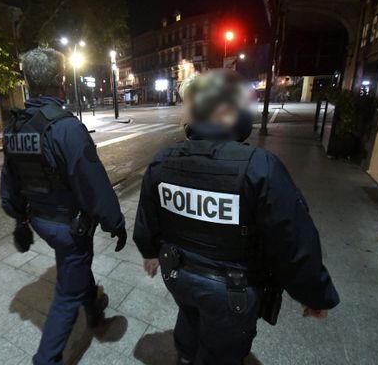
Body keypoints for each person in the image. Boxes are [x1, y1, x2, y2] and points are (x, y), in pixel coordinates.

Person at [133, 69, 339, 365]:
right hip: (231, 291)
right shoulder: (260, 167)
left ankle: (187, 354)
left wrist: (150, 251)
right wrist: (314, 294)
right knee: (221, 353)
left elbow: (146, 219)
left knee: (190, 316)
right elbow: (292, 240)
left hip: (177, 274)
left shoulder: (163, 160)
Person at [0, 47, 127, 365]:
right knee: (66, 293)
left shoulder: (15, 128)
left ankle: (94, 310)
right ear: (61, 82)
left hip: (40, 221)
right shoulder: (66, 128)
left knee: (75, 264)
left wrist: (18, 219)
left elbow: (10, 181)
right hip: (69, 225)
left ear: (28, 83)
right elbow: (93, 183)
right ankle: (47, 359)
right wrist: (115, 222)